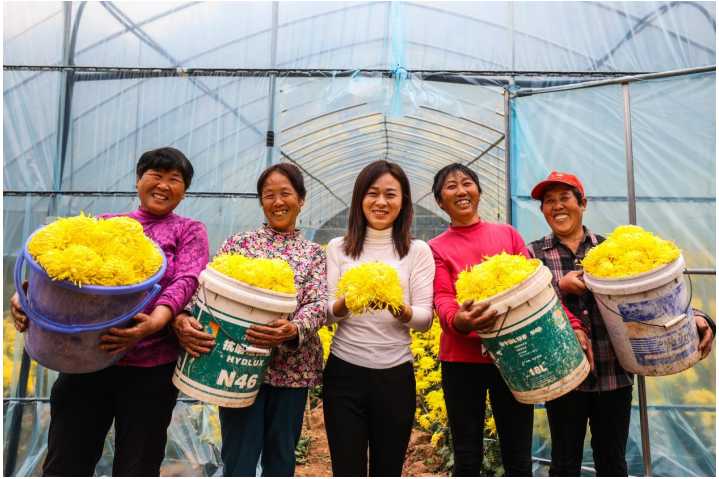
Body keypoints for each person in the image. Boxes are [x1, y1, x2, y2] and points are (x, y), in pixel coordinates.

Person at [10, 147, 209, 476]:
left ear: (184, 191)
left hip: (151, 367)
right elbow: (62, 274)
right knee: (67, 459)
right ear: (138, 181)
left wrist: (156, 321)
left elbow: (187, 279)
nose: (163, 185)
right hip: (86, 357)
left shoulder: (189, 230)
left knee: (138, 464)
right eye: (156, 175)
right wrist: (26, 295)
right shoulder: (105, 224)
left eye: (175, 179)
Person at [527, 170, 716, 477]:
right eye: (549, 201)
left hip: (614, 373)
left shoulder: (611, 250)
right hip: (565, 377)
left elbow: (652, 299)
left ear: (582, 203)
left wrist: (698, 317)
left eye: (565, 198)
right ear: (543, 210)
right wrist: (560, 285)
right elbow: (530, 308)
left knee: (613, 462)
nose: (557, 206)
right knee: (564, 462)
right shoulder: (533, 255)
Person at [428, 163, 589, 477]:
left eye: (467, 183)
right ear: (439, 201)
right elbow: (443, 298)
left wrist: (573, 325)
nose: (461, 191)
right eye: (451, 186)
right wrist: (460, 320)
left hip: (517, 356)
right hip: (461, 362)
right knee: (467, 455)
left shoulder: (506, 235)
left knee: (518, 453)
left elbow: (538, 291)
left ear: (478, 191)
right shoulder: (435, 248)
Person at [173, 162, 327, 477]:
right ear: (261, 201)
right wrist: (186, 314)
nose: (278, 202)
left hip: (290, 371)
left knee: (281, 457)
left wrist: (293, 328)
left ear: (301, 199)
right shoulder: (239, 244)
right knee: (239, 458)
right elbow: (207, 287)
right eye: (269, 195)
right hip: (235, 368)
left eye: (286, 193)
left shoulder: (313, 253)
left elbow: (318, 302)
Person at [323, 160, 435, 477]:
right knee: (347, 469)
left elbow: (425, 319)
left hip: (395, 377)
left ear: (403, 202)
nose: (381, 202)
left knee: (388, 469)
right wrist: (348, 303)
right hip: (344, 373)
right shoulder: (338, 248)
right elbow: (328, 313)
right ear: (360, 199)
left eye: (391, 194)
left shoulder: (417, 251)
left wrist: (399, 308)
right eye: (372, 193)